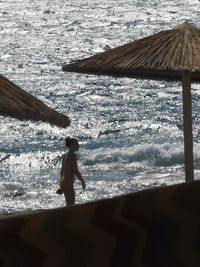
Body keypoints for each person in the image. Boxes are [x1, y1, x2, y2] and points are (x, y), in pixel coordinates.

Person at [57, 137, 86, 206]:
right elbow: (75, 170)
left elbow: (62, 170)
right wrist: (82, 181)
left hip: (63, 181)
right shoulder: (72, 156)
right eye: (77, 144)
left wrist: (61, 185)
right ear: (71, 146)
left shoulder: (65, 155)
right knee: (71, 204)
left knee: (69, 203)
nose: (78, 146)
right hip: (68, 182)